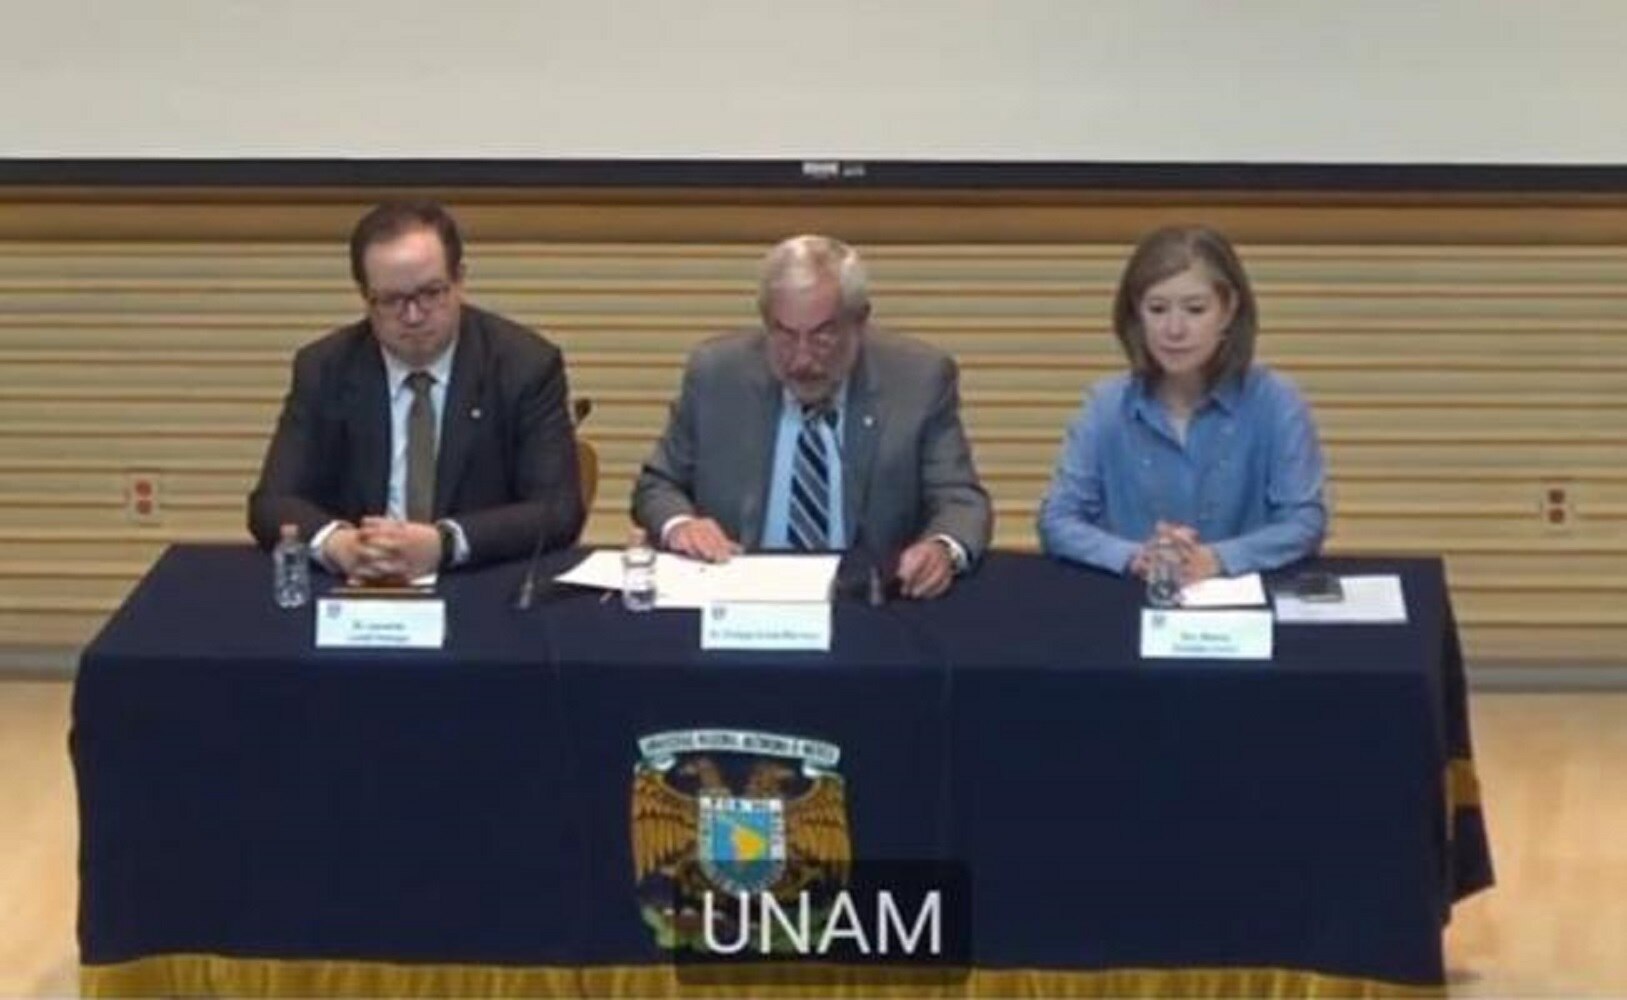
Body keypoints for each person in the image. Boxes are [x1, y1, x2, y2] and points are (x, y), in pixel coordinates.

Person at [632, 234, 991, 599]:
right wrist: (681, 525)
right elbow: (657, 485)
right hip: (736, 594)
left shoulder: (917, 379)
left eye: (822, 337)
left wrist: (942, 548)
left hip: (869, 598)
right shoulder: (717, 374)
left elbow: (960, 500)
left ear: (859, 321)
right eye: (785, 336)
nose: (801, 360)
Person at [248, 200, 584, 581]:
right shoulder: (326, 368)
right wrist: (338, 544)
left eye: (431, 293)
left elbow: (557, 511)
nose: (413, 316)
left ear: (459, 280)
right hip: (359, 585)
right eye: (391, 300)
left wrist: (444, 544)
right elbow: (272, 503)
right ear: (365, 296)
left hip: (475, 582)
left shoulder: (524, 365)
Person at [1037, 224, 1326, 583]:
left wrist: (1216, 559)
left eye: (1195, 309)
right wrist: (1136, 557)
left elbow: (1305, 522)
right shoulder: (1105, 406)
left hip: (1242, 596)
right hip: (1133, 596)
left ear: (1228, 310)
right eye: (1157, 309)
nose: (1174, 329)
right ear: (1136, 315)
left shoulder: (1276, 401)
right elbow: (1057, 521)